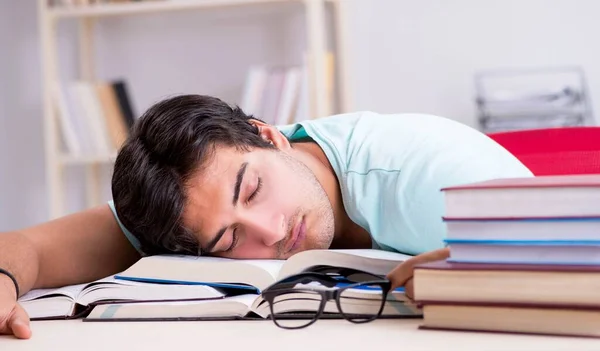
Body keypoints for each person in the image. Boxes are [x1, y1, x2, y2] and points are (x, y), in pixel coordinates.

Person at [0, 94, 533, 339]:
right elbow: (30, 248)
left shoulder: (427, 177)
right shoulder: (183, 201)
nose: (274, 233)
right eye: (230, 238)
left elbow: (579, 252)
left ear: (268, 135)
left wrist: (478, 268)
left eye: (252, 190)